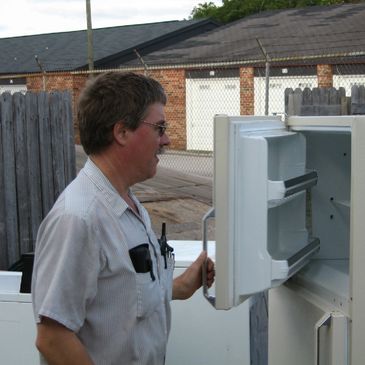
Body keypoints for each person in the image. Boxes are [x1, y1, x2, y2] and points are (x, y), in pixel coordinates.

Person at [31, 71, 215, 365]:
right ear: (122, 132)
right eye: (159, 127)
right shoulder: (79, 219)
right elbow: (53, 337)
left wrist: (181, 285)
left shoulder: (128, 204)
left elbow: (124, 296)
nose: (166, 140)